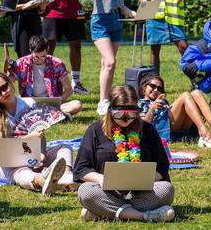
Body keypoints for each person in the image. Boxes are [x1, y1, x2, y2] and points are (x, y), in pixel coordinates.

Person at [73, 85, 175, 222]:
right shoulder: (95, 130)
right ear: (110, 110)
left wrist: (146, 181)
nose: (126, 119)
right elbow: (81, 169)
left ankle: (102, 212)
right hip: (106, 191)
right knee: (86, 192)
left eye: (131, 114)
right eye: (120, 114)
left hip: (142, 192)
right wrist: (103, 180)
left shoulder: (148, 130)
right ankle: (143, 216)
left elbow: (162, 166)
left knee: (166, 189)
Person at [0, 72, 74, 196]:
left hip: (31, 154)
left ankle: (66, 177)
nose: (4, 93)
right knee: (20, 171)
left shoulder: (29, 104)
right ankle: (42, 181)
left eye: (4, 86)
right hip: (1, 160)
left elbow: (40, 135)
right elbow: (3, 149)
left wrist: (40, 153)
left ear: (10, 83)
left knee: (64, 148)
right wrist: (30, 138)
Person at [78, 0, 136, 115]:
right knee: (110, 62)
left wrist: (135, 13)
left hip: (116, 20)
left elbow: (122, 7)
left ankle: (105, 100)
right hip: (100, 20)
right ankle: (103, 101)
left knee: (106, 64)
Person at [34, 0, 89, 94]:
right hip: (54, 12)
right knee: (49, 47)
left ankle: (76, 82)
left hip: (73, 12)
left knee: (76, 46)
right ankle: (46, 79)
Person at [133, 0, 189, 74]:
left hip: (174, 19)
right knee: (155, 50)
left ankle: (194, 80)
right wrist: (145, 3)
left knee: (185, 48)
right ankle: (155, 81)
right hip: (155, 18)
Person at [138, 73, 211, 148]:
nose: (156, 90)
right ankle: (205, 135)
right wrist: (152, 108)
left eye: (159, 89)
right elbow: (144, 127)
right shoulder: (140, 105)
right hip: (160, 129)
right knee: (185, 95)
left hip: (175, 125)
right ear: (144, 87)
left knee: (196, 93)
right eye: (152, 86)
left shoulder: (161, 102)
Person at [8, 35, 83, 116]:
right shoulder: (20, 63)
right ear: (31, 51)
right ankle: (56, 115)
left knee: (77, 104)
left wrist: (58, 100)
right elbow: (8, 84)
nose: (39, 60)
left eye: (43, 56)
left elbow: (69, 89)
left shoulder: (57, 64)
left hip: (51, 104)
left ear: (47, 50)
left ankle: (43, 114)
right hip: (28, 103)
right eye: (36, 57)